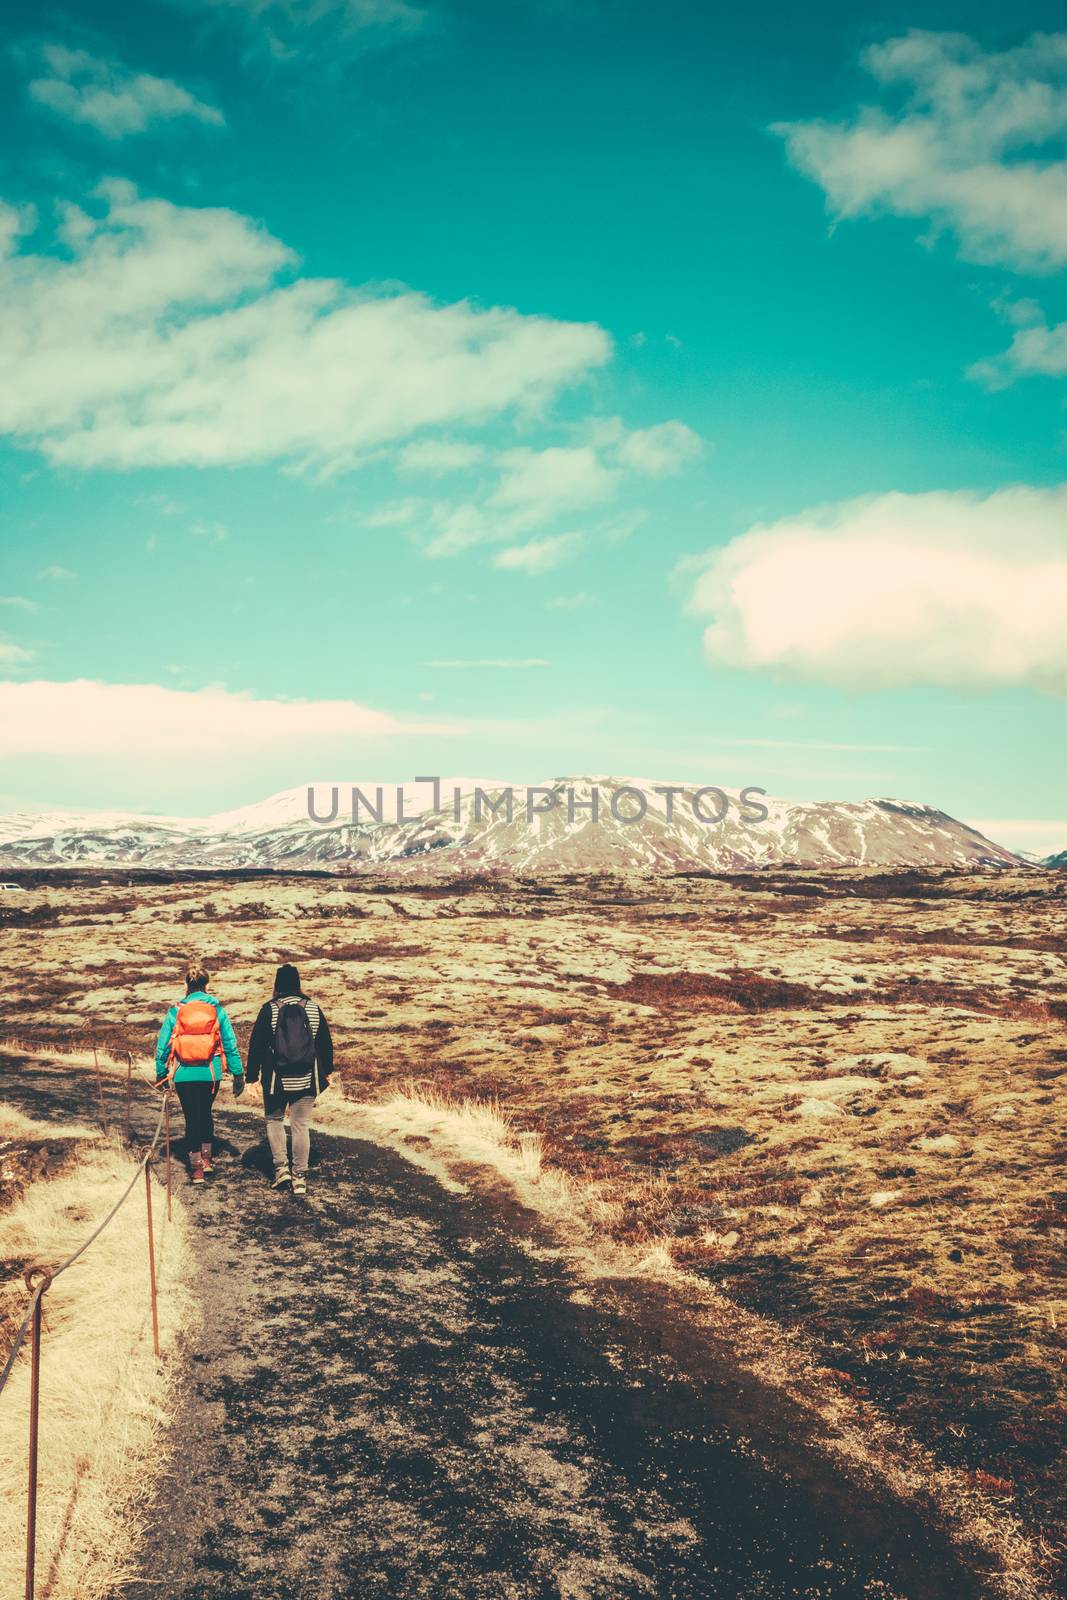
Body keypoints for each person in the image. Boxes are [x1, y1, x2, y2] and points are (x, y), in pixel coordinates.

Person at [246, 963, 333, 1197]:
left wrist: (251, 1077)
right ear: (298, 983)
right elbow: (325, 1043)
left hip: (276, 1080)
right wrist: (328, 1071)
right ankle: (300, 1178)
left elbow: (256, 1045)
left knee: (274, 1119)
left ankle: (281, 1169)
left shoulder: (269, 1009)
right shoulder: (313, 1008)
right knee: (300, 1125)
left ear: (277, 984)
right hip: (307, 1078)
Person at [155, 960, 244, 1183]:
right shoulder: (217, 1010)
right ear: (206, 985)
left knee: (191, 1118)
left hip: (184, 1074)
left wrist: (161, 1073)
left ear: (187, 985)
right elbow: (230, 1044)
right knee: (205, 1114)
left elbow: (164, 1045)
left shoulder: (176, 1011)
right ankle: (207, 1161)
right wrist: (238, 1074)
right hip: (210, 1074)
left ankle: (195, 1170)